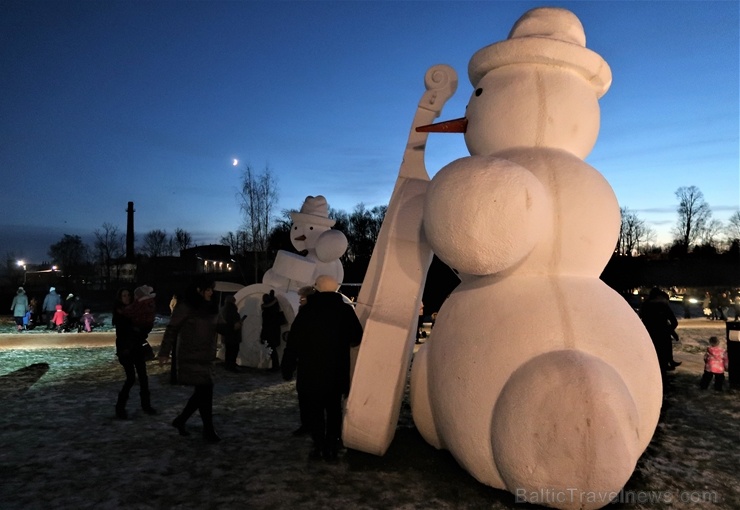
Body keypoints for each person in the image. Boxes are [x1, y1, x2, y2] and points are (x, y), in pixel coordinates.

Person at [282, 275, 363, 460]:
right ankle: (332, 445)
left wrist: (288, 365)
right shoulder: (345, 310)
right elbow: (357, 336)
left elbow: (294, 341)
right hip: (336, 370)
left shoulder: (307, 311)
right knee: (334, 409)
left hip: (311, 371)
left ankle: (318, 444)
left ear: (317, 288)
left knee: (315, 410)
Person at [158, 277, 221, 443]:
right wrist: (164, 352)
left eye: (211, 289)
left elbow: (218, 326)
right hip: (191, 356)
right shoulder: (186, 307)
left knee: (202, 393)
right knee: (205, 392)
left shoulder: (210, 307)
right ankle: (208, 430)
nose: (211, 292)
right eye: (208, 289)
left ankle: (181, 420)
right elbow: (172, 329)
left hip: (206, 356)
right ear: (198, 291)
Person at [113, 287, 157, 419]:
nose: (126, 298)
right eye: (124, 295)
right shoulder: (119, 312)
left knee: (143, 377)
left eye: (128, 295)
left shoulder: (137, 310)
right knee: (131, 378)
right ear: (120, 298)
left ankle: (146, 405)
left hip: (137, 348)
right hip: (125, 349)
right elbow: (123, 333)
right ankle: (120, 408)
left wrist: (143, 329)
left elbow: (143, 329)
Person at [290, 285, 316, 436]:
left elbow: (296, 339)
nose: (300, 301)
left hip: (308, 361)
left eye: (302, 298)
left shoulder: (306, 315)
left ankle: (308, 425)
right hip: (313, 361)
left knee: (307, 395)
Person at [639, 287, 680, 378]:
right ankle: (663, 378)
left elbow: (640, 319)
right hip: (662, 335)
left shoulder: (645, 305)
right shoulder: (663, 305)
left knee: (651, 358)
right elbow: (674, 322)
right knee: (662, 359)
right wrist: (669, 330)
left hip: (649, 335)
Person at [260, 290, 284, 372]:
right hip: (275, 331)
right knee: (273, 349)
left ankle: (275, 366)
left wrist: (262, 335)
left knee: (272, 350)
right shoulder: (274, 308)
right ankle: (275, 365)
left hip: (269, 332)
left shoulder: (266, 311)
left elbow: (265, 324)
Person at [219, 295, 243, 372]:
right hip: (233, 335)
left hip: (226, 334)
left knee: (228, 351)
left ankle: (227, 365)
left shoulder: (222, 309)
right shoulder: (233, 310)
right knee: (233, 351)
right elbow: (236, 325)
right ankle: (231, 366)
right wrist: (239, 323)